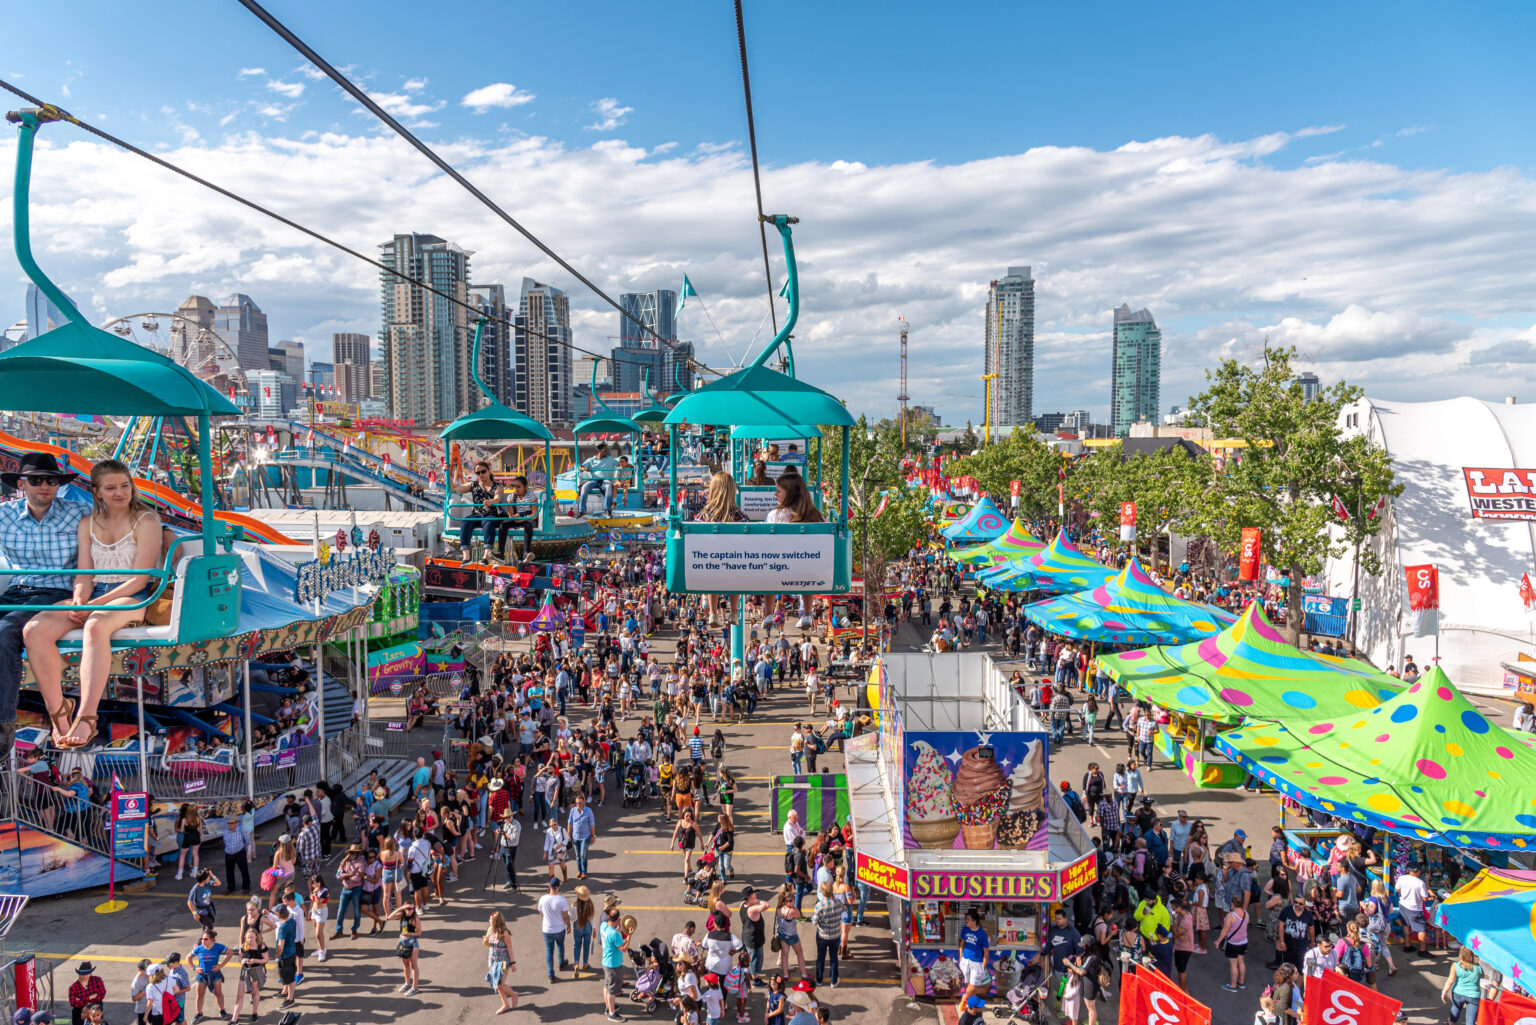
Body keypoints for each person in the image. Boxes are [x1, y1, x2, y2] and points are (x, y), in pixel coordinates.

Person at [25, 459, 162, 749]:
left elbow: (139, 579)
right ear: (97, 492)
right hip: (98, 592)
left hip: (134, 596)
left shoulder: (146, 520)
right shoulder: (88, 523)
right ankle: (59, 714)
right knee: (34, 630)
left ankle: (88, 715)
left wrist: (93, 605)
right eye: (111, 488)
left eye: (125, 485)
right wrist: (78, 599)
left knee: (96, 624)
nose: (120, 493)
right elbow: (85, 573)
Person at [0, 452, 92, 757]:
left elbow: (121, 516)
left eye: (51, 480)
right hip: (16, 591)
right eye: (36, 480)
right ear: (22, 484)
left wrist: (160, 531)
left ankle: (4, 725)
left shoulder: (78, 512)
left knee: (5, 633)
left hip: (56, 592)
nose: (44, 486)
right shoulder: (5, 514)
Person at [451, 461, 513, 559]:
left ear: (489, 472)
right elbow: (454, 489)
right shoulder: (473, 485)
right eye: (478, 473)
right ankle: (466, 556)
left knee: (488, 522)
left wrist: (491, 501)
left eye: (483, 471)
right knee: (466, 522)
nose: (481, 474)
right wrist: (447, 473)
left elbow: (497, 498)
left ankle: (486, 555)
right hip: (478, 514)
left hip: (492, 514)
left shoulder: (498, 486)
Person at [187, 929, 230, 1024]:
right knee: (200, 995)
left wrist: (221, 965)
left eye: (205, 939)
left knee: (218, 993)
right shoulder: (199, 948)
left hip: (215, 975)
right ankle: (199, 1013)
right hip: (202, 976)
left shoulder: (219, 947)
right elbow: (188, 958)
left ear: (212, 940)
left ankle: (222, 1011)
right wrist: (194, 968)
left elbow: (230, 953)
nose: (203, 940)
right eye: (202, 938)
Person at [1442, 945, 1489, 1024]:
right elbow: (1482, 981)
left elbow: (1450, 981)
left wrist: (1444, 992)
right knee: (1471, 1018)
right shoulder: (1479, 969)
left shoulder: (1456, 966)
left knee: (1455, 1008)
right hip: (1474, 995)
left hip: (1458, 993)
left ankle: (1452, 1022)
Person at [538, 877, 573, 982]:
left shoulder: (543, 899)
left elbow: (541, 912)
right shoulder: (561, 900)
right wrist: (568, 925)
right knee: (560, 946)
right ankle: (561, 963)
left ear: (549, 886)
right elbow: (566, 916)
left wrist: (547, 918)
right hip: (559, 929)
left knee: (549, 951)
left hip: (547, 930)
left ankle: (550, 974)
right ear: (558, 887)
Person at [958, 909, 992, 1012]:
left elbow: (986, 951)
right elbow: (962, 943)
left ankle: (964, 998)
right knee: (968, 984)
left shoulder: (982, 934)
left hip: (977, 963)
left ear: (974, 921)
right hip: (965, 961)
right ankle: (971, 1005)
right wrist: (960, 958)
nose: (966, 921)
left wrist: (984, 966)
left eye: (968, 919)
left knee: (972, 987)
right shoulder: (965, 929)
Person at [484, 911, 518, 1015]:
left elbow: (510, 949)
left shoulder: (505, 933)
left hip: (503, 961)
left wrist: (512, 963)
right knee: (497, 984)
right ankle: (505, 1005)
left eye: (490, 920)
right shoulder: (489, 930)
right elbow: (489, 944)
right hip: (492, 960)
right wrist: (486, 942)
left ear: (495, 922)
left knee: (500, 985)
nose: (489, 921)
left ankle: (513, 995)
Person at [1396, 862, 1433, 956]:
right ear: (1417, 871)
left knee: (1406, 924)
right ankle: (1422, 950)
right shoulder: (1420, 883)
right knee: (1422, 929)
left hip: (1403, 905)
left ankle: (1407, 945)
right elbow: (1424, 898)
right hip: (1415, 908)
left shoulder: (1401, 878)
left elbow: (1397, 890)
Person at [599, 906, 629, 1023]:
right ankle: (611, 1013)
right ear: (618, 920)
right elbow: (624, 949)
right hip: (613, 965)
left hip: (606, 962)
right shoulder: (614, 934)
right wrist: (629, 935)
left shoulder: (603, 926)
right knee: (612, 990)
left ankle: (608, 1007)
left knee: (607, 986)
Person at [574, 444, 619, 518]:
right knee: (584, 487)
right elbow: (580, 467)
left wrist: (630, 465)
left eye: (607, 450)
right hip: (594, 480)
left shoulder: (610, 459)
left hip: (605, 479)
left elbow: (620, 463)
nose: (606, 452)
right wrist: (584, 469)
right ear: (599, 451)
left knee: (608, 486)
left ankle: (607, 510)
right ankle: (582, 510)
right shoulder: (591, 460)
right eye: (604, 450)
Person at [387, 901, 422, 996]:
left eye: (412, 908)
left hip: (412, 943)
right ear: (404, 909)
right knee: (405, 964)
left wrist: (409, 934)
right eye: (408, 908)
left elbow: (419, 933)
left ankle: (415, 987)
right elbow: (388, 917)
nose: (411, 910)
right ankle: (407, 983)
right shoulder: (401, 916)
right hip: (402, 942)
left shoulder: (415, 918)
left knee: (413, 965)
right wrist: (400, 908)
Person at [1216, 898, 1249, 992]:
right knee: (1241, 961)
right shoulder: (1246, 914)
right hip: (1244, 941)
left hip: (1233, 943)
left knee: (1233, 964)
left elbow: (1225, 930)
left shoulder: (1230, 915)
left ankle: (1233, 985)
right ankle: (1241, 982)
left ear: (1233, 904)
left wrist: (1218, 941)